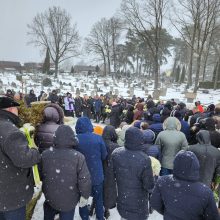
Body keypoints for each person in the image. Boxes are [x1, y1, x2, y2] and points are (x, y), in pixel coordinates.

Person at [0, 96, 41, 220]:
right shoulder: (10, 131)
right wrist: (34, 150)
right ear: (12, 109)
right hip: (10, 197)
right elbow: (24, 159)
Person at [150, 150, 220, 220]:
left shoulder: (162, 181)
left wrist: (168, 213)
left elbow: (155, 203)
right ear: (196, 167)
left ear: (175, 164)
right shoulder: (206, 192)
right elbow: (213, 217)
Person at [41, 125, 91, 220]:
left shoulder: (45, 154)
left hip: (50, 197)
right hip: (69, 200)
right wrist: (85, 195)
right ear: (72, 138)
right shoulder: (78, 157)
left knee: (48, 214)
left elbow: (40, 175)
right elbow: (84, 180)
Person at [108, 127, 154, 220]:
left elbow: (110, 176)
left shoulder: (116, 153)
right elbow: (148, 185)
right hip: (139, 203)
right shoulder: (144, 159)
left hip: (123, 198)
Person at [75, 117, 107, 220]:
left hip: (81, 176)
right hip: (96, 174)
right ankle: (100, 217)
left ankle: (85, 217)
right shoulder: (98, 138)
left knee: (83, 198)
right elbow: (104, 155)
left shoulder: (75, 140)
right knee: (98, 199)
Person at [102, 125, 120, 218]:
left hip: (100, 169)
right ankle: (106, 209)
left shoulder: (100, 142)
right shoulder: (116, 146)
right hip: (110, 172)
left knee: (99, 190)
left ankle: (96, 206)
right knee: (108, 191)